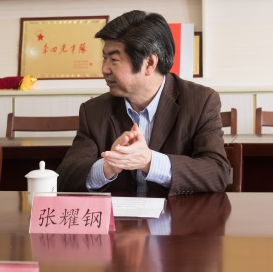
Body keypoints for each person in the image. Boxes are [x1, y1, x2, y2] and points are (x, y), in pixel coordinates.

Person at [56, 10, 230, 195]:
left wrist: (150, 162)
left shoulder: (200, 101)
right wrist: (107, 167)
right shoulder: (94, 111)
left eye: (114, 59)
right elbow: (66, 177)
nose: (104, 69)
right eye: (104, 58)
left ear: (149, 63)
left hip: (177, 213)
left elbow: (217, 172)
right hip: (118, 214)